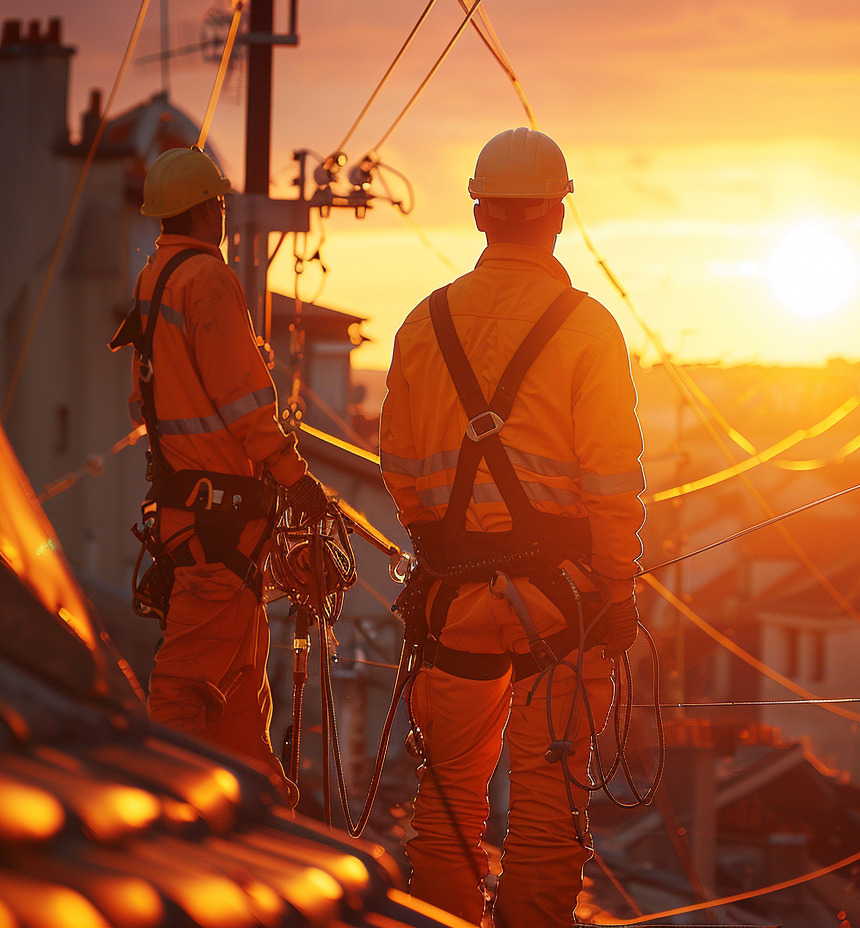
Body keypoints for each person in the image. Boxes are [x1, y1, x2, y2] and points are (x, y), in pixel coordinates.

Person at [380, 127, 645, 927]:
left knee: (449, 803)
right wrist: (616, 587)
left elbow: (399, 466)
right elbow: (611, 480)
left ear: (480, 215)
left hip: (452, 596)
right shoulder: (587, 329)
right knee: (546, 812)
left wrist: (446, 547)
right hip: (562, 602)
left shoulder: (423, 326)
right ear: (557, 217)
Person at [109, 146, 327, 804]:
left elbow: (151, 400)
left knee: (233, 707)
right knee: (182, 696)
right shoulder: (206, 279)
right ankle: (160, 813)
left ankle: (262, 817)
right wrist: (296, 478)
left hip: (201, 525)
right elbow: (244, 403)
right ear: (210, 210)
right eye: (223, 208)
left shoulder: (155, 278)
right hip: (219, 527)